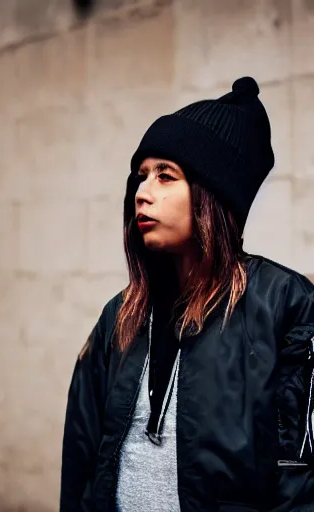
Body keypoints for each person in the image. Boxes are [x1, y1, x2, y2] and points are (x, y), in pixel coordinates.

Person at [59, 76, 314, 512]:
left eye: (165, 176)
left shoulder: (285, 306)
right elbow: (80, 466)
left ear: (211, 196)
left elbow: (301, 483)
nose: (142, 192)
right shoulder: (118, 317)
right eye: (141, 176)